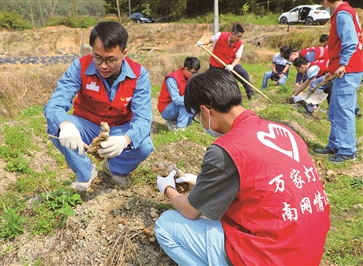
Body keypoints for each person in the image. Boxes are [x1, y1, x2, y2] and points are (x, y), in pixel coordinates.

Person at [155, 69, 330, 265]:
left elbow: (190, 211)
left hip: (270, 256)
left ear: (205, 111)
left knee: (165, 225)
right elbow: (264, 182)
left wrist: (167, 189)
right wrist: (201, 183)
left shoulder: (226, 149)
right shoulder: (284, 131)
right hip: (308, 250)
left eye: (197, 116)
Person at [44, 21, 154, 191]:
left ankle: (115, 168)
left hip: (118, 129)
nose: (103, 66)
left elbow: (143, 120)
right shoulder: (79, 67)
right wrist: (65, 125)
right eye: (97, 57)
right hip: (86, 124)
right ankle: (86, 172)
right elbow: (55, 103)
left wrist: (124, 140)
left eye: (111, 60)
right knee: (56, 128)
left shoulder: (139, 75)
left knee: (144, 146)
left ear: (124, 53)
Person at [314, 0, 363, 163]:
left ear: (325, 2)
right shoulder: (343, 12)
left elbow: (351, 42)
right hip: (342, 70)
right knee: (335, 109)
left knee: (344, 110)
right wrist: (332, 70)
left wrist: (343, 65)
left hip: (347, 70)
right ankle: (335, 144)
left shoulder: (342, 14)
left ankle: (348, 150)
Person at [196, 24, 258, 100]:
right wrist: (202, 43)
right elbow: (210, 40)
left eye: (241, 37)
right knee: (213, 81)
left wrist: (231, 66)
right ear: (232, 33)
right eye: (238, 36)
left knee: (243, 74)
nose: (239, 39)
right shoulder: (220, 36)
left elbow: (237, 58)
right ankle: (212, 98)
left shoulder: (240, 44)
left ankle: (250, 93)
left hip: (230, 64)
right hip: (216, 65)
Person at [157, 57, 200, 131]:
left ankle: (177, 122)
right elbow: (176, 100)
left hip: (176, 107)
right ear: (186, 69)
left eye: (195, 73)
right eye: (192, 72)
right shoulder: (172, 79)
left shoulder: (190, 78)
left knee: (197, 106)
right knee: (186, 103)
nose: (194, 75)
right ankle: (180, 129)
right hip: (166, 109)